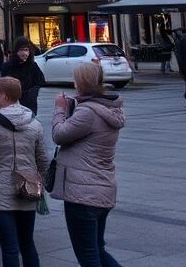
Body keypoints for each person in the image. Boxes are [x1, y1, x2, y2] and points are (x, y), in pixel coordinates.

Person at [51, 63, 126, 267]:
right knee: (97, 250)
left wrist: (59, 109)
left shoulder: (88, 112)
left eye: (76, 79)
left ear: (82, 82)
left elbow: (59, 135)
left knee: (88, 255)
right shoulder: (108, 106)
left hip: (82, 193)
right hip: (102, 188)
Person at [0, 76, 50, 267]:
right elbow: (43, 159)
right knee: (27, 243)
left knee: (9, 247)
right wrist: (41, 181)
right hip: (28, 188)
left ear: (5, 96)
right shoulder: (34, 123)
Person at [0, 37, 45, 115]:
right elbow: (3, 84)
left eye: (26, 50)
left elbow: (40, 81)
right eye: (21, 50)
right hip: (12, 104)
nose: (24, 53)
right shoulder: (8, 66)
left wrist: (32, 93)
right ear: (16, 51)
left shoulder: (33, 66)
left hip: (29, 105)